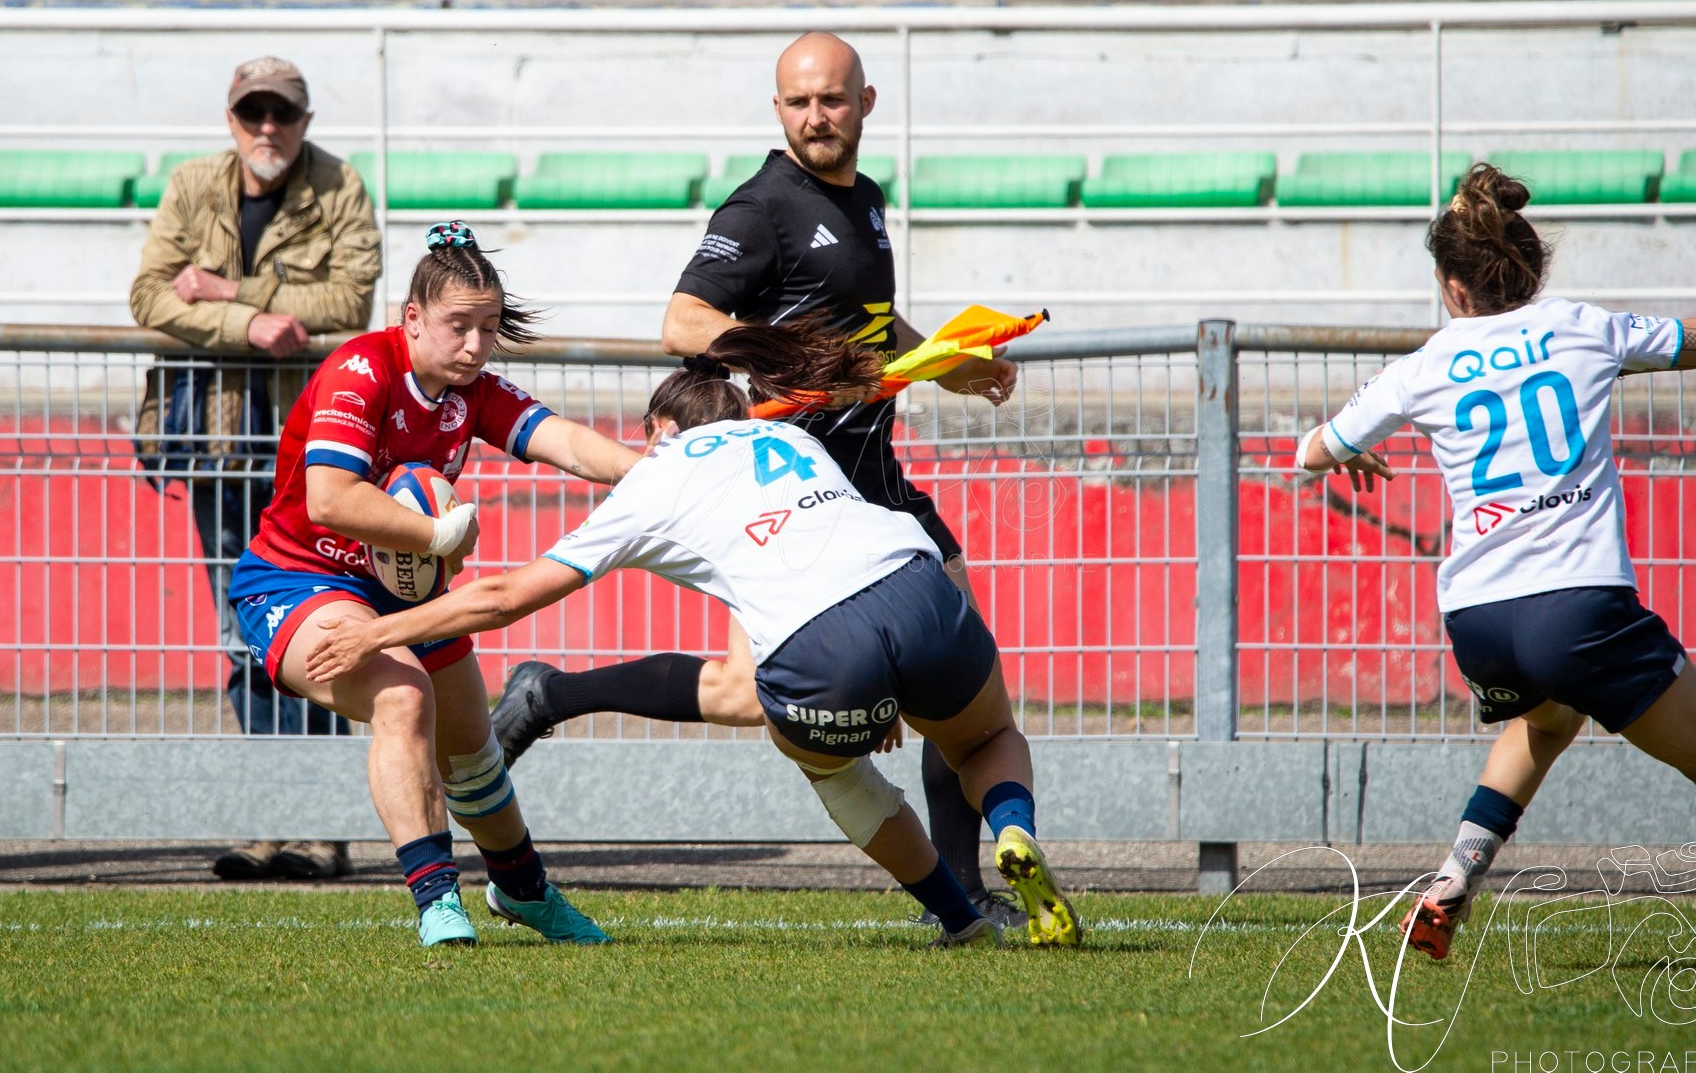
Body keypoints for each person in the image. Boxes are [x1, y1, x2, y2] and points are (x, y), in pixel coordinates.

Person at [308, 318, 1081, 949]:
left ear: (656, 427)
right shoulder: (792, 442)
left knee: (836, 774)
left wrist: (384, 631)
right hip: (914, 583)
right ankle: (1015, 830)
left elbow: (507, 595)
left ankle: (961, 920)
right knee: (985, 739)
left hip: (820, 647)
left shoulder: (652, 478)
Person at [489, 31, 1025, 928]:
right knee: (746, 694)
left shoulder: (869, 203)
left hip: (877, 476)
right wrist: (797, 361)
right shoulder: (763, 208)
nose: (818, 115)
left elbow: (872, 326)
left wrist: (944, 361)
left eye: (833, 99)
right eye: (800, 101)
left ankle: (967, 896)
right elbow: (683, 320)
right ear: (778, 111)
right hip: (801, 497)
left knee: (962, 679)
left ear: (866, 102)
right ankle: (551, 693)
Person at [1294, 164, 1696, 961]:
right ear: (1530, 266)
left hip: (1479, 618)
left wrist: (1350, 458)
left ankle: (1450, 881)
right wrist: (1661, 347)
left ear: (1453, 288)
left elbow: (1313, 451)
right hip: (1577, 604)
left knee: (1545, 718)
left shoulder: (1426, 363)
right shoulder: (1585, 326)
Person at [226, 220, 640, 948]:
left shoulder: (469, 388)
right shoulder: (363, 369)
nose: (478, 345)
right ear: (411, 318)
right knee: (401, 692)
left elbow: (565, 440)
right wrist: (438, 535)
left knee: (473, 746)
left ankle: (525, 892)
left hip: (402, 588)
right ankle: (437, 900)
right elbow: (328, 498)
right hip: (297, 578)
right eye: (460, 326)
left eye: (489, 326)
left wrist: (654, 474)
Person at [130, 55, 379, 882]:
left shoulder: (341, 187)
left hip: (316, 453)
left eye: (282, 114)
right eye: (251, 114)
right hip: (215, 441)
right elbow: (149, 296)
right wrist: (252, 320)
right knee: (246, 636)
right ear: (231, 120)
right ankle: (273, 817)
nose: (266, 129)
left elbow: (350, 303)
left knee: (325, 626)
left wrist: (222, 292)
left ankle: (322, 824)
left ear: (305, 121)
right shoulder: (191, 183)